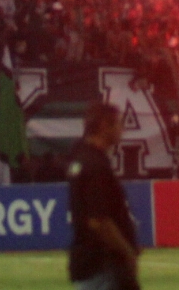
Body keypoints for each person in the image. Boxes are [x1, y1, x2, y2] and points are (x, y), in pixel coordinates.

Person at [66, 102, 140, 290]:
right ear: (104, 127)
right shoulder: (96, 167)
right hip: (103, 265)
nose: (122, 130)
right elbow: (99, 221)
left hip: (90, 262)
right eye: (118, 124)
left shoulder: (80, 156)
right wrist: (127, 251)